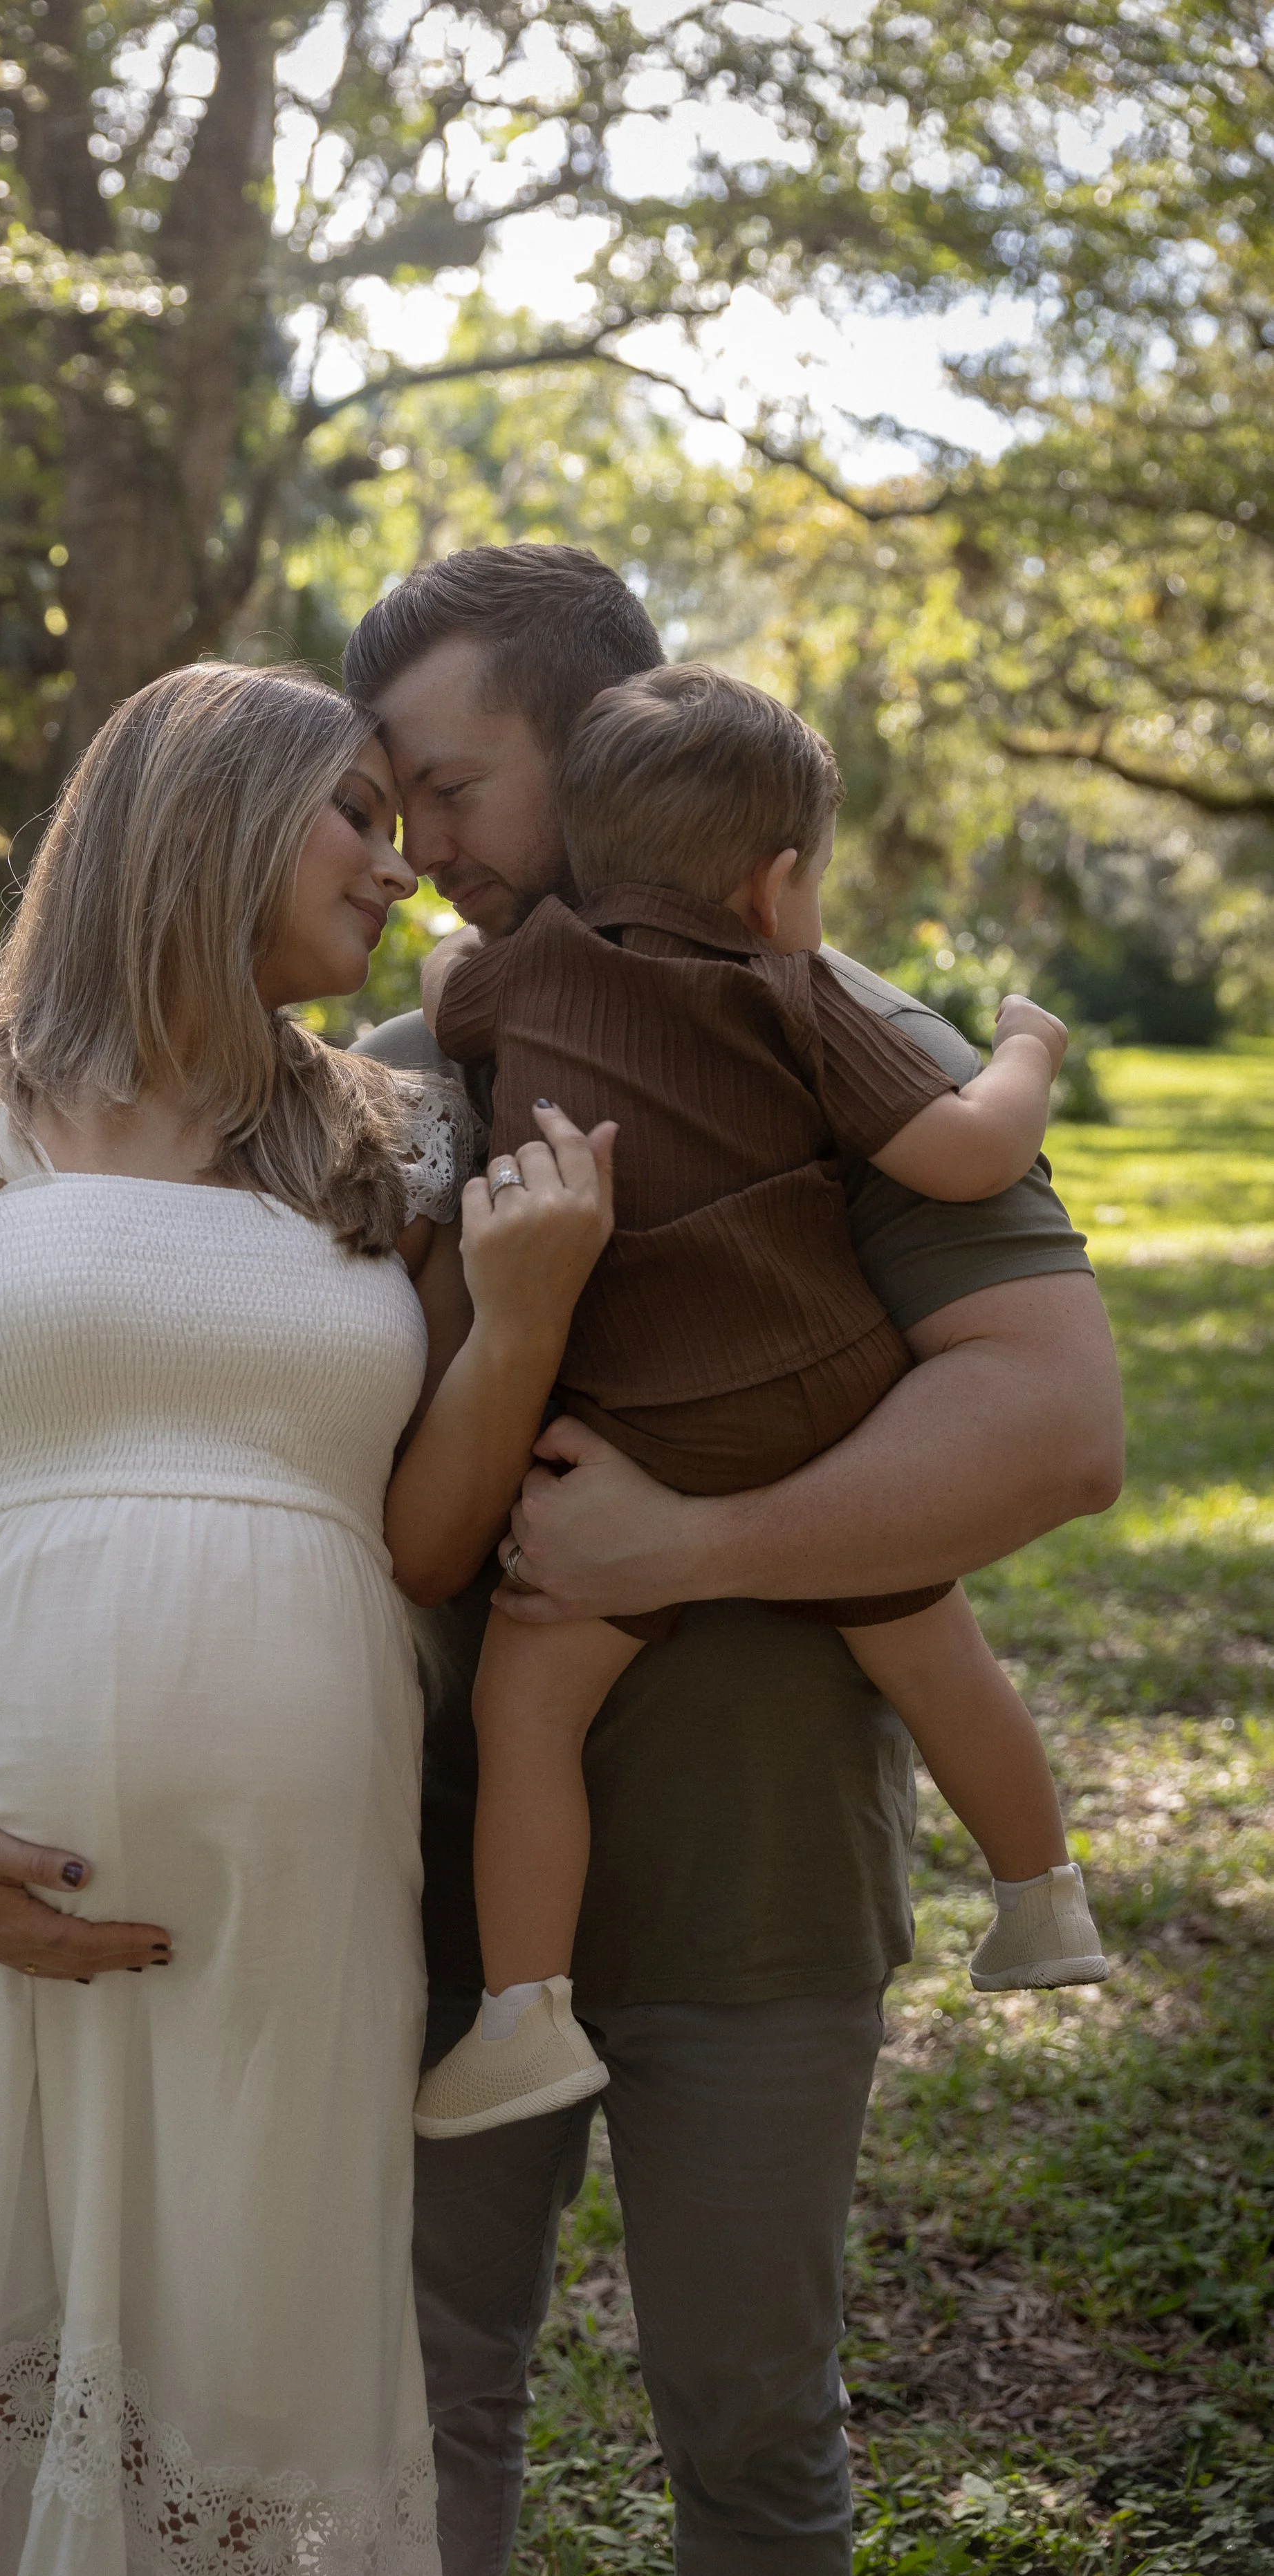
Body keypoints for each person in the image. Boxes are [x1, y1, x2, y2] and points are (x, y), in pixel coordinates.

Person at [0, 548, 1125, 2576]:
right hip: (402, 1878)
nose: (414, 849)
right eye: (381, 804)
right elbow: (196, 1362)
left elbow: (1053, 1428)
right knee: (417, 2402)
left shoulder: (831, 1031)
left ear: (606, 743)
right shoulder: (382, 1077)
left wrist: (692, 1539)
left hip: (753, 1876)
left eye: (449, 788)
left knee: (750, 2419)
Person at [0, 660, 617, 2576]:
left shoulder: (387, 1142)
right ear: (201, 811)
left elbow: (420, 1541)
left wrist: (518, 1322)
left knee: (247, 2387)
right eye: (355, 810)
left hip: (291, 1916)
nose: (398, 863)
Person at [411, 660, 1107, 2141]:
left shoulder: (526, 973)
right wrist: (1029, 1050)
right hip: (823, 1400)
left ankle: (521, 2011)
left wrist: (473, 983)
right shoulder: (795, 991)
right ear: (777, 882)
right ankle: (1038, 1898)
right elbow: (966, 1156)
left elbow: (438, 994)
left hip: (634, 1418)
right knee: (929, 1644)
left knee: (525, 1702)